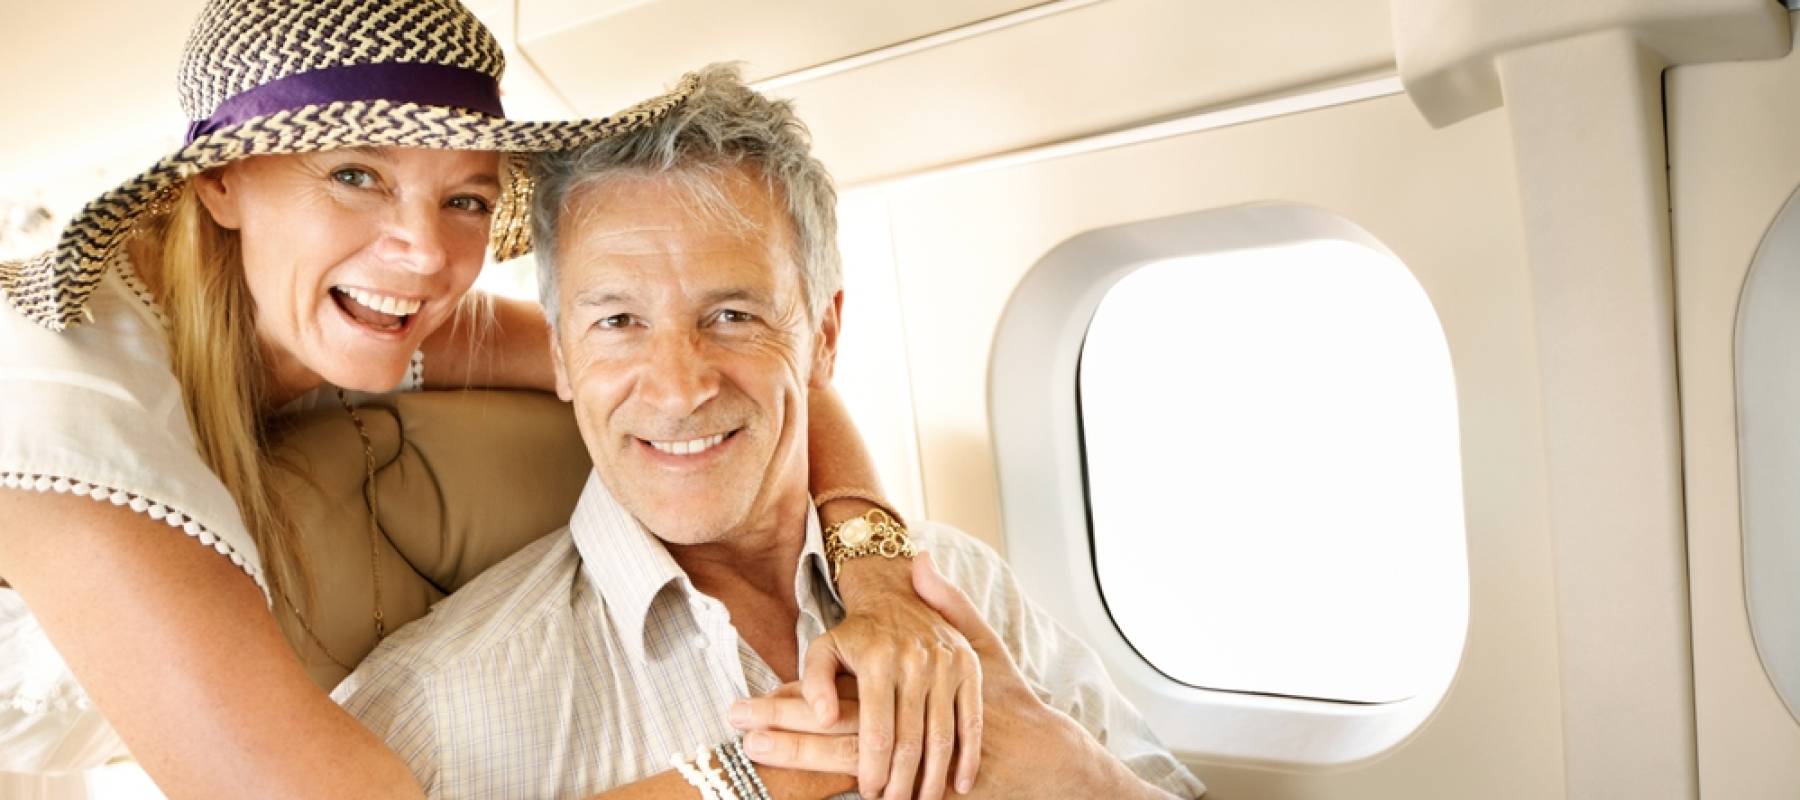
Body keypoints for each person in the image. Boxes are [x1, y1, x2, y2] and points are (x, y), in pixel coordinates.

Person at [0, 3, 979, 798]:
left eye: (465, 196)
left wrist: (881, 578)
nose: (425, 254)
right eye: (355, 176)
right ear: (220, 181)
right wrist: (775, 767)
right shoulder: (59, 396)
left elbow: (762, 376)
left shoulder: (365, 313)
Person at [335, 63, 1206, 800]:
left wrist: (1081, 778)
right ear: (560, 355)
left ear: (824, 335)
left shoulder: (964, 590)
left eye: (733, 314)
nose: (679, 389)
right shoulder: (442, 704)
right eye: (617, 323)